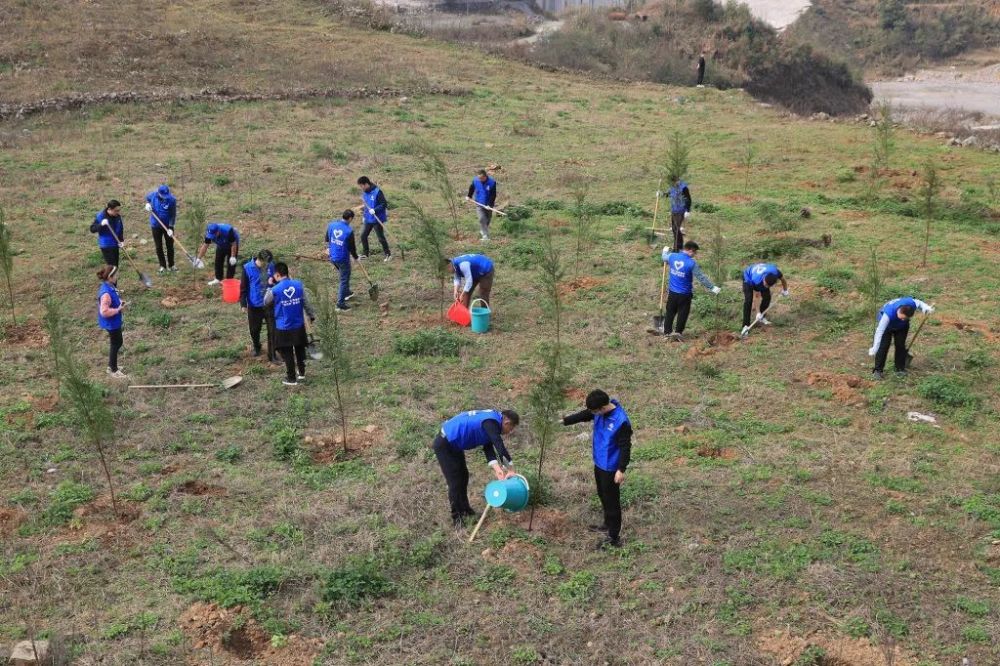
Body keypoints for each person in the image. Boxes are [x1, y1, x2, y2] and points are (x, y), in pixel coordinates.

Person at [558, 390, 632, 549]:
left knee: (612, 501)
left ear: (603, 407)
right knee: (602, 494)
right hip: (599, 462)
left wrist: (621, 469)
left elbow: (625, 447)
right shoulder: (598, 411)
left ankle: (614, 537)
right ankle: (607, 523)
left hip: (611, 467)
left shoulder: (621, 421)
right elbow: (585, 414)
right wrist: (565, 421)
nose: (592, 414)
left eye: (594, 411)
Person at [433, 409, 520, 526]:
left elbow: (488, 448)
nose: (510, 431)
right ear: (507, 422)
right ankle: (457, 518)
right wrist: (510, 469)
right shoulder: (491, 422)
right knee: (455, 482)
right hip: (445, 444)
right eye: (511, 428)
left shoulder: (492, 421)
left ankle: (465, 510)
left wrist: (497, 469)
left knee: (463, 476)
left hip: (454, 444)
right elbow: (499, 445)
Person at [265, 262, 315, 386]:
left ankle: (291, 378)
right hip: (298, 324)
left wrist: (269, 286)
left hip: (283, 326)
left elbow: (265, 301)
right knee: (299, 349)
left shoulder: (275, 290)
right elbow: (306, 303)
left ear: (277, 275)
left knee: (287, 352)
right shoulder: (298, 285)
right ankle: (302, 373)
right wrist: (311, 315)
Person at [659, 241, 720, 341]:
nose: (694, 255)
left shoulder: (672, 256)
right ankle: (678, 332)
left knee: (670, 312)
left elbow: (664, 257)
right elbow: (701, 277)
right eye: (695, 252)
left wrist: (664, 251)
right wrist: (712, 287)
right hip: (685, 295)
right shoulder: (691, 263)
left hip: (673, 293)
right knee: (683, 313)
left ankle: (667, 332)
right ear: (691, 251)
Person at [869, 296, 934, 380]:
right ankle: (878, 371)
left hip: (901, 328)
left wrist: (926, 308)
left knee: (900, 345)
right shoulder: (888, 313)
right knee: (883, 347)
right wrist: (875, 347)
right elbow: (879, 331)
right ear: (899, 311)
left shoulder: (911, 304)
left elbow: (918, 302)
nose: (903, 319)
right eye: (902, 317)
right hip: (887, 327)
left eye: (906, 318)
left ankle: (900, 369)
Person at [240, 249, 276, 360]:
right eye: (266, 263)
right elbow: (243, 288)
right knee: (254, 330)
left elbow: (277, 281)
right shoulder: (247, 268)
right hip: (254, 305)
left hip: (269, 304)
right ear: (260, 260)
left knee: (272, 330)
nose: (268, 265)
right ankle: (257, 346)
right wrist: (243, 304)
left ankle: (272, 354)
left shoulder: (271, 266)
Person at [740, 262, 789, 337]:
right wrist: (758, 312)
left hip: (761, 274)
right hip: (748, 276)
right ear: (764, 279)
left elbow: (783, 279)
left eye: (767, 285)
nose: (765, 286)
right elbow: (756, 296)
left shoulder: (775, 272)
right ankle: (745, 325)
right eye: (765, 284)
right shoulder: (757, 280)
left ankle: (762, 317)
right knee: (748, 300)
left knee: (767, 297)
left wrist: (785, 290)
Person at [96, 265, 128, 379]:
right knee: (116, 343)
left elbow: (115, 297)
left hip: (114, 321)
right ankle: (113, 370)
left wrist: (120, 302)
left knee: (116, 343)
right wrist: (118, 309)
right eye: (115, 275)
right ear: (110, 277)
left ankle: (111, 365)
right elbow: (104, 311)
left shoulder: (109, 286)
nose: (117, 276)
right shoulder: (106, 293)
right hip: (111, 323)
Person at [326, 209, 359, 312]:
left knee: (343, 275)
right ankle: (340, 304)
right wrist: (356, 257)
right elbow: (352, 248)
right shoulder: (348, 231)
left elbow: (327, 239)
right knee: (344, 279)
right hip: (342, 258)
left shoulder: (331, 225)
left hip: (332, 257)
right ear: (350, 218)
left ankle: (347, 292)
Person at [144, 184, 177, 273]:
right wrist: (147, 204)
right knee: (158, 246)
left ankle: (172, 265)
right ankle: (162, 266)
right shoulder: (153, 195)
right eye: (163, 195)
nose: (165, 197)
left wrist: (170, 227)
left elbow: (173, 215)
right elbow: (147, 198)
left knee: (170, 246)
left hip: (167, 226)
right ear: (158, 193)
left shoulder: (172, 200)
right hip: (155, 225)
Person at [357, 176, 392, 261]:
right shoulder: (365, 193)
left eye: (362, 186)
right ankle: (366, 254)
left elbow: (384, 204)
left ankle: (388, 254)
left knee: (380, 237)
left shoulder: (377, 192)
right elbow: (366, 205)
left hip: (377, 218)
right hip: (368, 218)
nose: (361, 188)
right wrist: (364, 216)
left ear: (366, 184)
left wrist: (375, 210)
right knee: (363, 235)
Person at [90, 200, 125, 268]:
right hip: (106, 245)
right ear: (109, 209)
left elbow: (120, 228)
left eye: (119, 210)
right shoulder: (101, 216)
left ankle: (112, 278)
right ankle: (108, 278)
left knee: (115, 267)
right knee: (112, 268)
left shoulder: (117, 216)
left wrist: (121, 240)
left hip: (115, 244)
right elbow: (92, 229)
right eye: (116, 210)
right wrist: (101, 224)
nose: (118, 212)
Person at [467, 169, 498, 241]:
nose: (479, 179)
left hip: (489, 203)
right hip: (479, 203)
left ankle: (483, 229)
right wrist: (469, 196)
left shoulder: (492, 183)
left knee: (488, 219)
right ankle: (485, 236)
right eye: (478, 178)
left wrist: (489, 205)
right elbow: (472, 188)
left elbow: (493, 195)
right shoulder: (476, 180)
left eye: (481, 178)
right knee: (481, 218)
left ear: (485, 177)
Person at [666, 176, 692, 252]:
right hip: (674, 210)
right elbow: (668, 194)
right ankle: (679, 246)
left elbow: (688, 199)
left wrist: (687, 210)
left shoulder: (684, 188)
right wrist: (661, 194)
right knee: (674, 229)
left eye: (674, 182)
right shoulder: (672, 187)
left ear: (677, 180)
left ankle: (677, 248)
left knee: (676, 229)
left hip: (681, 210)